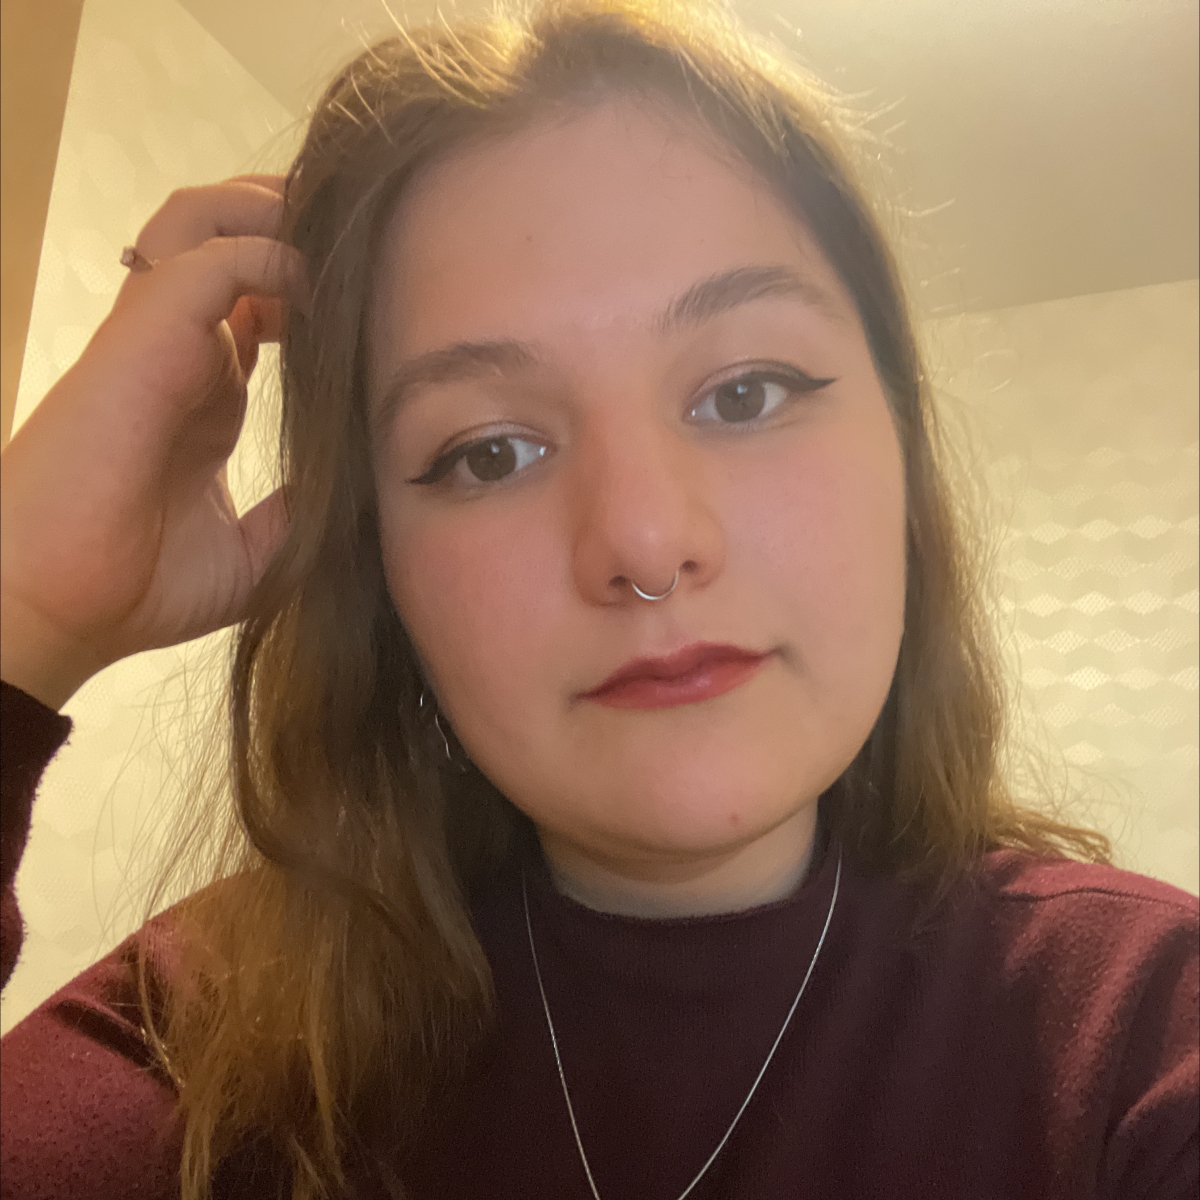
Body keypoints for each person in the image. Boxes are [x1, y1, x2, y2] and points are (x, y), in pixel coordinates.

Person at [0, 1, 1196, 1197]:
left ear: (903, 452)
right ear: (380, 566)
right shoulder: (208, 1044)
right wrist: (25, 613)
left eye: (745, 394)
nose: (644, 542)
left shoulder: (1139, 1030)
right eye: (490, 453)